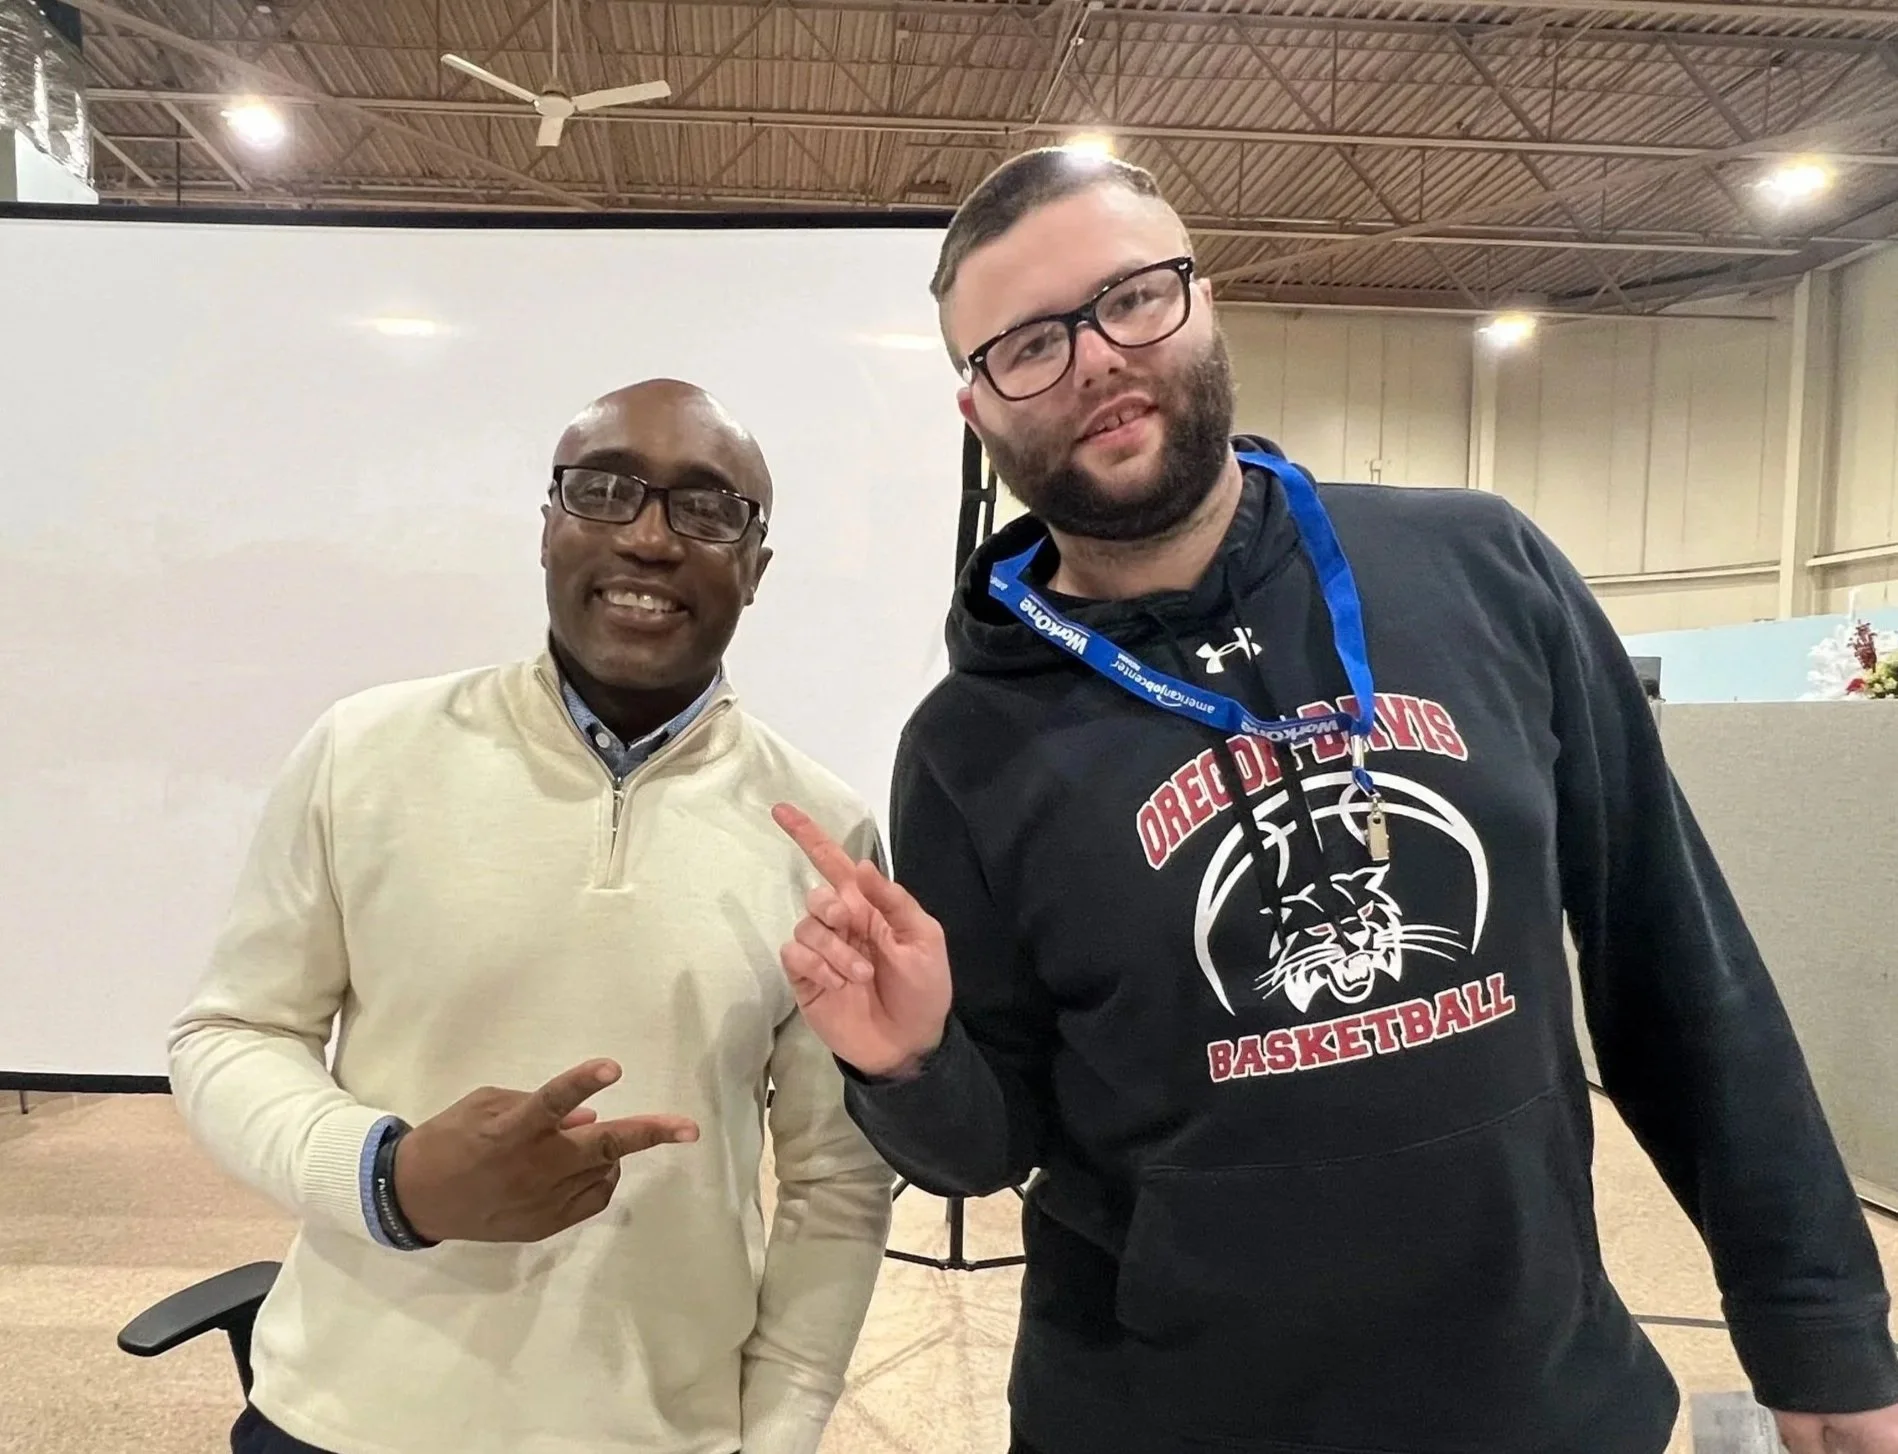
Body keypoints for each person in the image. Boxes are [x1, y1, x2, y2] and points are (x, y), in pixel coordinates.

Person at [770, 149, 1898, 1454]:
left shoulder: (1482, 566)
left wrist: (1813, 1316)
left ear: (1204, 302)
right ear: (976, 409)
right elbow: (982, 1148)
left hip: (1538, 1406)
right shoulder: (968, 742)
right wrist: (905, 1063)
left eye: (1130, 297)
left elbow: (1676, 963)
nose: (1091, 358)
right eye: (1027, 343)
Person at [170, 380, 893, 1454]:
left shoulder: (821, 830)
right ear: (548, 526)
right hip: (345, 1412)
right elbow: (230, 1033)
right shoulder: (363, 751)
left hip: (659, 1431)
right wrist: (385, 1173)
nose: (649, 537)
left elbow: (836, 1177)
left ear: (754, 566)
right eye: (602, 491)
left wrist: (780, 1425)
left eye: (706, 508)